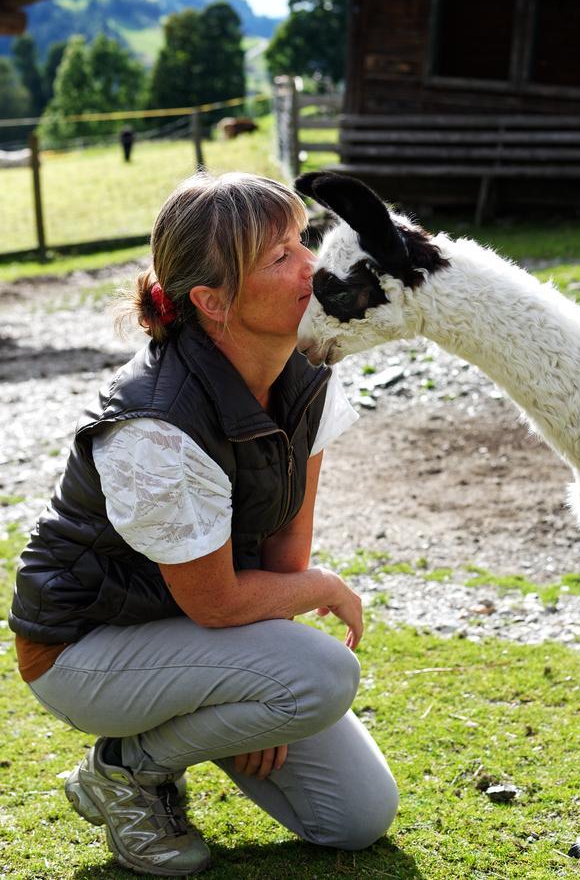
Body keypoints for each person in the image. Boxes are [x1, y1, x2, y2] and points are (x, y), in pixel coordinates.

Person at [9, 172, 398, 877]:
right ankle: (126, 767)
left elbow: (281, 554)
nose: (312, 265)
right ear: (212, 302)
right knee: (327, 673)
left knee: (354, 817)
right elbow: (216, 603)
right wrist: (317, 597)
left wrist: (263, 690)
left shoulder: (309, 370)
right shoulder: (156, 425)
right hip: (85, 650)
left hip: (204, 636)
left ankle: (174, 736)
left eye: (301, 240)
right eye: (280, 257)